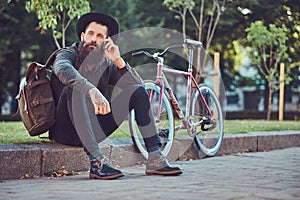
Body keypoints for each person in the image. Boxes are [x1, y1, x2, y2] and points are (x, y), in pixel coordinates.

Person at [49, 12, 182, 180]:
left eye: (99, 36)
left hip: (94, 129)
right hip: (65, 130)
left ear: (106, 41)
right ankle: (97, 162)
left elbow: (140, 89)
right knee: (75, 89)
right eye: (90, 33)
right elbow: (61, 69)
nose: (93, 39)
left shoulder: (106, 63)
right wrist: (91, 90)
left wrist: (118, 60)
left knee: (136, 91)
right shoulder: (67, 54)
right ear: (83, 36)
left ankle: (155, 157)